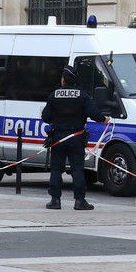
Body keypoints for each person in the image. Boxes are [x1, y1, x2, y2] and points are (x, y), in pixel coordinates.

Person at [42, 65, 105, 210]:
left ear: (63, 79)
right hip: (76, 137)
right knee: (77, 169)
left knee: (57, 169)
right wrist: (104, 119)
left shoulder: (54, 95)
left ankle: (55, 200)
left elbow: (45, 117)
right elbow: (94, 113)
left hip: (58, 137)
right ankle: (79, 201)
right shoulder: (82, 95)